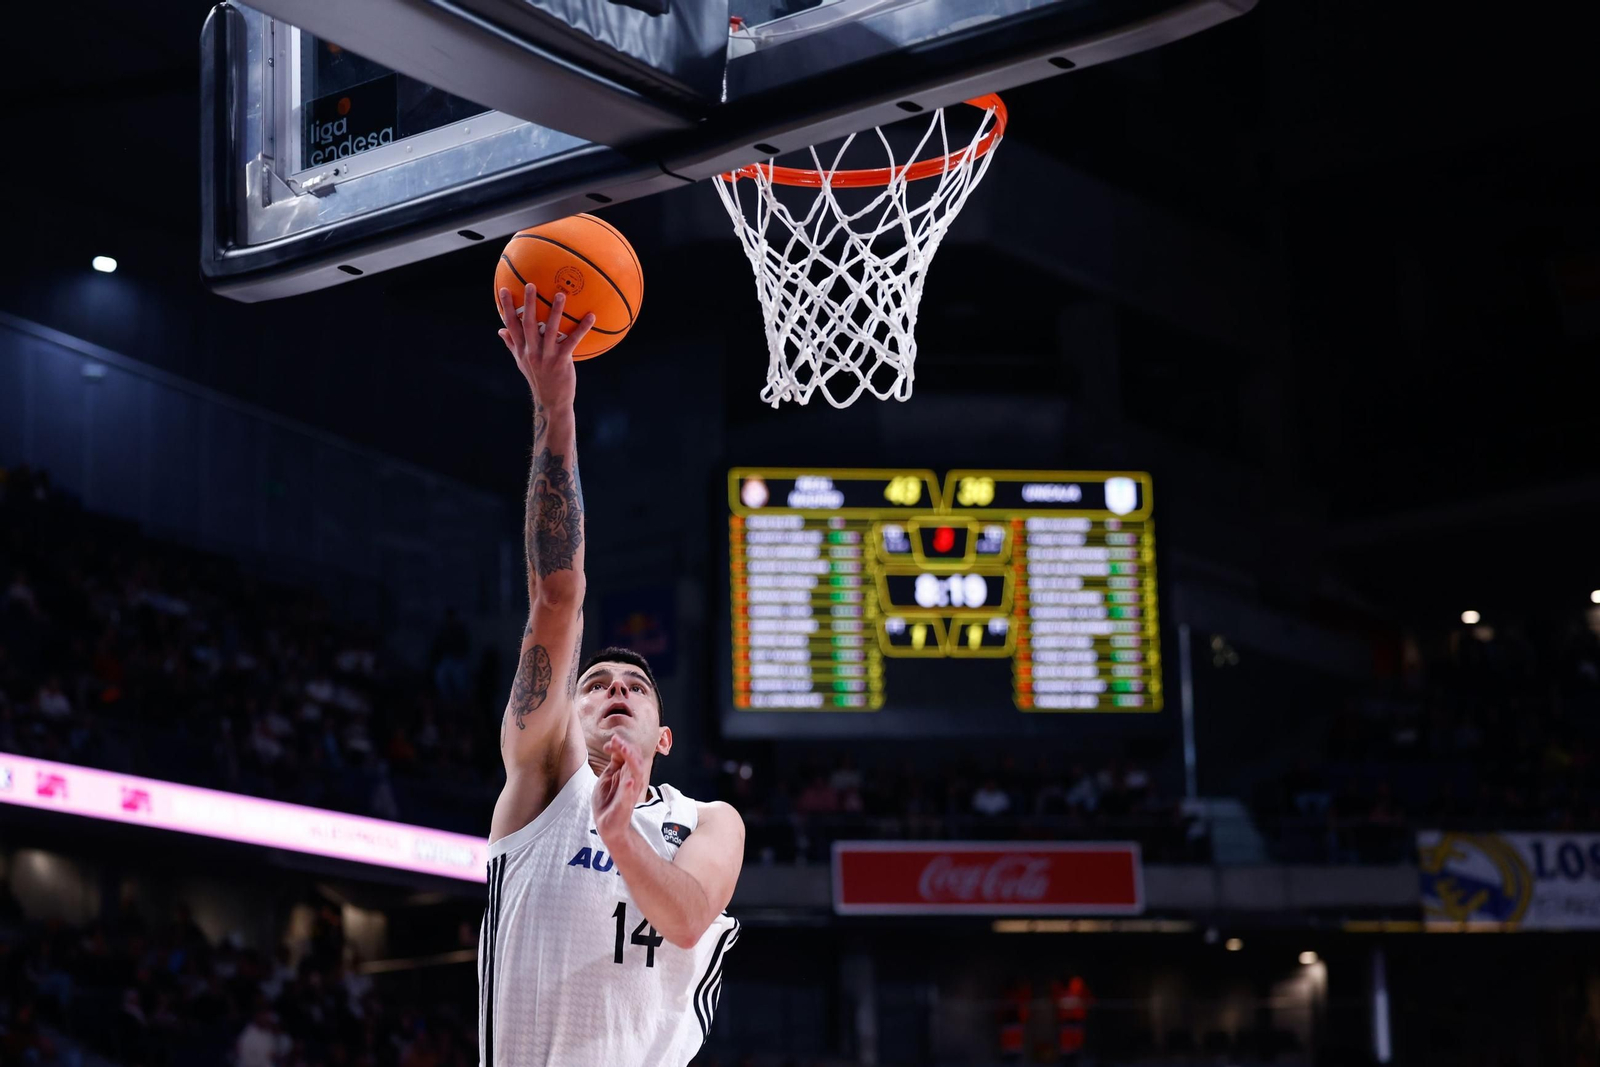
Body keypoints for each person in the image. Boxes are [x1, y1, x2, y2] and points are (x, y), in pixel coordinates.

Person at [479, 283, 744, 1066]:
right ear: (567, 714)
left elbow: (688, 917)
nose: (617, 687)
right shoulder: (544, 781)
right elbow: (557, 595)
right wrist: (555, 408)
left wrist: (621, 831)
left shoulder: (709, 820)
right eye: (595, 683)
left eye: (636, 685)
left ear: (664, 736)